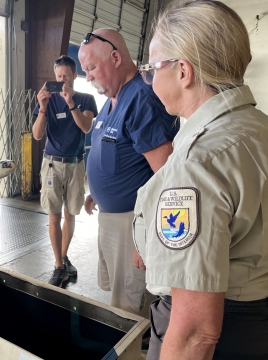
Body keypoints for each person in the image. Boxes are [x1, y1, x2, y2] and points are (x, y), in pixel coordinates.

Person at [133, 1, 268, 359]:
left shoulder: (198, 163)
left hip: (224, 333)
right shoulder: (263, 131)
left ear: (183, 71)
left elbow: (196, 331)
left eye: (152, 67)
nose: (149, 78)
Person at [78, 29, 179, 317]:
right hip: (112, 220)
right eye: (85, 71)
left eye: (92, 68)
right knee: (119, 299)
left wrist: (147, 237)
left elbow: (168, 176)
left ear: (116, 57)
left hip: (133, 226)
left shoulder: (141, 98)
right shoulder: (111, 100)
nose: (88, 77)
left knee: (131, 310)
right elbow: (115, 154)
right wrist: (96, 193)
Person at [32, 55, 98, 287]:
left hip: (75, 164)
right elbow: (37, 135)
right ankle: (59, 265)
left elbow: (86, 126)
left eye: (66, 76)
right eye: (58, 77)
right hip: (52, 164)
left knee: (71, 213)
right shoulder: (47, 101)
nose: (62, 81)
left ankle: (63, 256)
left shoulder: (86, 99)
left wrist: (71, 103)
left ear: (74, 76)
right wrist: (42, 109)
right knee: (53, 215)